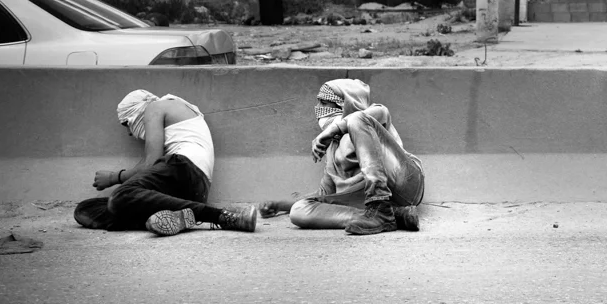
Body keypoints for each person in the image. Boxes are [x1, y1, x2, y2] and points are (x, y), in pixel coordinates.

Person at [73, 90, 258, 236]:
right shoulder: (177, 108)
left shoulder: (154, 107)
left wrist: (115, 177)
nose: (130, 133)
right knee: (86, 209)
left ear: (135, 111)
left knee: (121, 197)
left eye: (126, 124)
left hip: (182, 166)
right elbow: (151, 167)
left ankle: (221, 216)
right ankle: (177, 218)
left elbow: (150, 163)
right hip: (193, 192)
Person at [260, 78, 424, 235]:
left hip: (405, 182)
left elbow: (381, 112)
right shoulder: (333, 147)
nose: (318, 108)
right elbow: (326, 195)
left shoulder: (366, 121)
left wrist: (332, 130)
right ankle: (392, 215)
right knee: (299, 211)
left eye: (324, 103)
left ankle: (379, 205)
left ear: (345, 104)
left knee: (356, 119)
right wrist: (281, 204)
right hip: (383, 201)